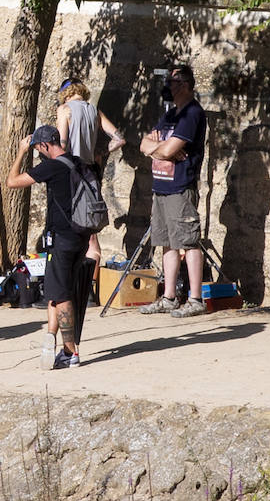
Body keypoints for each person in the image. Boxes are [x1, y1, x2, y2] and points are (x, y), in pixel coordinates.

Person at [6, 125, 86, 369]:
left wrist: (21, 152)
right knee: (59, 291)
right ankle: (55, 342)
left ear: (43, 146)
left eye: (38, 150)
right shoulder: (79, 162)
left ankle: (71, 353)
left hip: (61, 239)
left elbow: (12, 182)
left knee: (61, 296)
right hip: (80, 237)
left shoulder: (50, 166)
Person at [139, 65, 208, 319]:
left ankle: (195, 299)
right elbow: (144, 143)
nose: (169, 85)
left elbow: (169, 151)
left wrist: (159, 148)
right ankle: (169, 297)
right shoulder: (170, 115)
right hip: (161, 186)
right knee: (166, 242)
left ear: (187, 84)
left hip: (180, 186)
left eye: (174, 80)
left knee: (188, 241)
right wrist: (158, 147)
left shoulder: (191, 113)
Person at [55, 76, 127, 269]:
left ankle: (70, 282)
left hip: (71, 171)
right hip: (91, 172)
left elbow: (62, 144)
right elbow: (119, 139)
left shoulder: (64, 110)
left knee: (69, 230)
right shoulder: (94, 111)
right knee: (90, 232)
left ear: (65, 93)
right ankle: (90, 290)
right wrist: (100, 152)